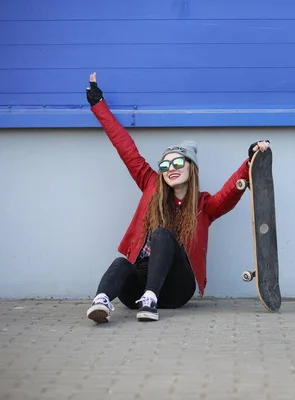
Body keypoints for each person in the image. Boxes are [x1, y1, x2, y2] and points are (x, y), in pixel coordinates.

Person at [84, 72, 270, 323]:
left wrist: (250, 162)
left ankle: (151, 298)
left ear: (191, 167)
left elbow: (229, 192)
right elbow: (125, 147)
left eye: (178, 162)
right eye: (165, 164)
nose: (171, 168)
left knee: (161, 233)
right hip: (135, 290)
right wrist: (98, 105)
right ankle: (102, 303)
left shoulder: (204, 205)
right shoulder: (150, 184)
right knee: (121, 263)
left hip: (176, 289)